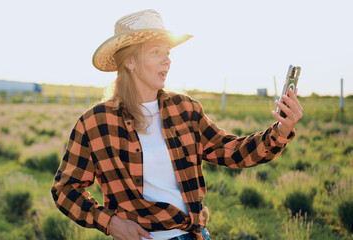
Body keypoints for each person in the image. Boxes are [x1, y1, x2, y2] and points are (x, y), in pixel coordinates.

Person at [51, 9, 302, 240]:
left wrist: (280, 131)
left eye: (167, 53)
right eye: (155, 52)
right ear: (129, 62)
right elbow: (65, 189)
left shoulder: (186, 109)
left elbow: (231, 151)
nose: (167, 61)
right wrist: (110, 222)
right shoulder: (95, 123)